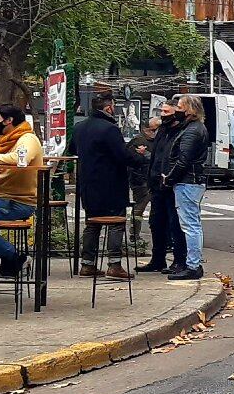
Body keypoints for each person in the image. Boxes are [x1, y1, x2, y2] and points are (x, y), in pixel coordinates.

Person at [68, 90, 136, 278]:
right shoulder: (109, 129)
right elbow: (122, 155)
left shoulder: (80, 127)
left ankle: (87, 264)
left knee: (92, 223)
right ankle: (114, 264)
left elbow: (73, 149)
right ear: (108, 107)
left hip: (88, 183)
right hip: (111, 184)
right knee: (116, 222)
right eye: (113, 106)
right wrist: (139, 157)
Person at [0, 103, 44, 276]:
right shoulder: (4, 140)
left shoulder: (28, 139)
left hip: (18, 201)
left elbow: (22, 158)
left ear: (9, 120)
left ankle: (14, 257)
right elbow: (7, 170)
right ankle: (11, 258)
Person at [165, 94, 209, 280]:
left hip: (187, 181)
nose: (177, 111)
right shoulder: (194, 128)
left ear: (190, 110)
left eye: (180, 108)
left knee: (190, 225)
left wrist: (169, 178)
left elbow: (184, 160)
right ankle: (193, 263)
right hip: (190, 180)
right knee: (191, 223)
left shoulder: (192, 130)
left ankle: (193, 265)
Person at [139, 102, 181, 273]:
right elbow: (157, 155)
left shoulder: (179, 131)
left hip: (170, 183)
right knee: (156, 223)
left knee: (174, 222)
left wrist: (169, 177)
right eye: (162, 111)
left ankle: (178, 261)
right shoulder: (162, 131)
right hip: (157, 183)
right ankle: (158, 259)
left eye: (166, 111)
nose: (162, 114)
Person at [127, 114, 157, 256]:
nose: (155, 132)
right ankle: (134, 235)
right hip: (141, 180)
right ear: (145, 129)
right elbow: (138, 159)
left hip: (150, 178)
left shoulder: (155, 140)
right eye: (152, 130)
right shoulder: (139, 140)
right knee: (139, 207)